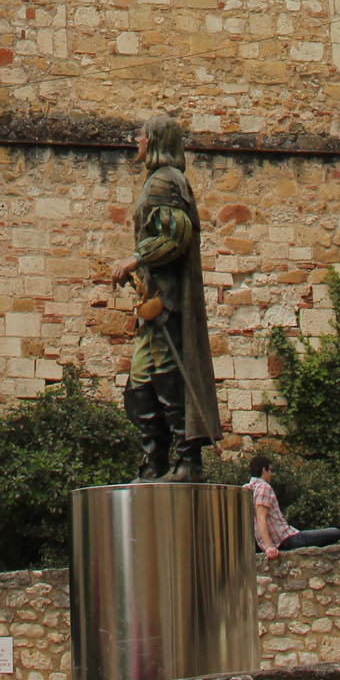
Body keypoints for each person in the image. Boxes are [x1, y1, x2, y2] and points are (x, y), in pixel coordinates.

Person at [110, 112, 221, 481]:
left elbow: (176, 235)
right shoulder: (155, 181)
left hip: (169, 305)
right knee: (141, 384)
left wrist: (135, 258)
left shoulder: (166, 182)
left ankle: (187, 460)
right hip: (153, 301)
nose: (136, 142)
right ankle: (153, 460)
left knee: (166, 376)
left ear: (155, 141)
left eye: (141, 136)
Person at [246, 454, 340, 557]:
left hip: (276, 541)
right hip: (286, 539)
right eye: (271, 470)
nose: (272, 474)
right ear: (264, 470)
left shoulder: (246, 489)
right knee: (335, 532)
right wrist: (269, 546)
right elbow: (261, 517)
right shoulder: (264, 487)